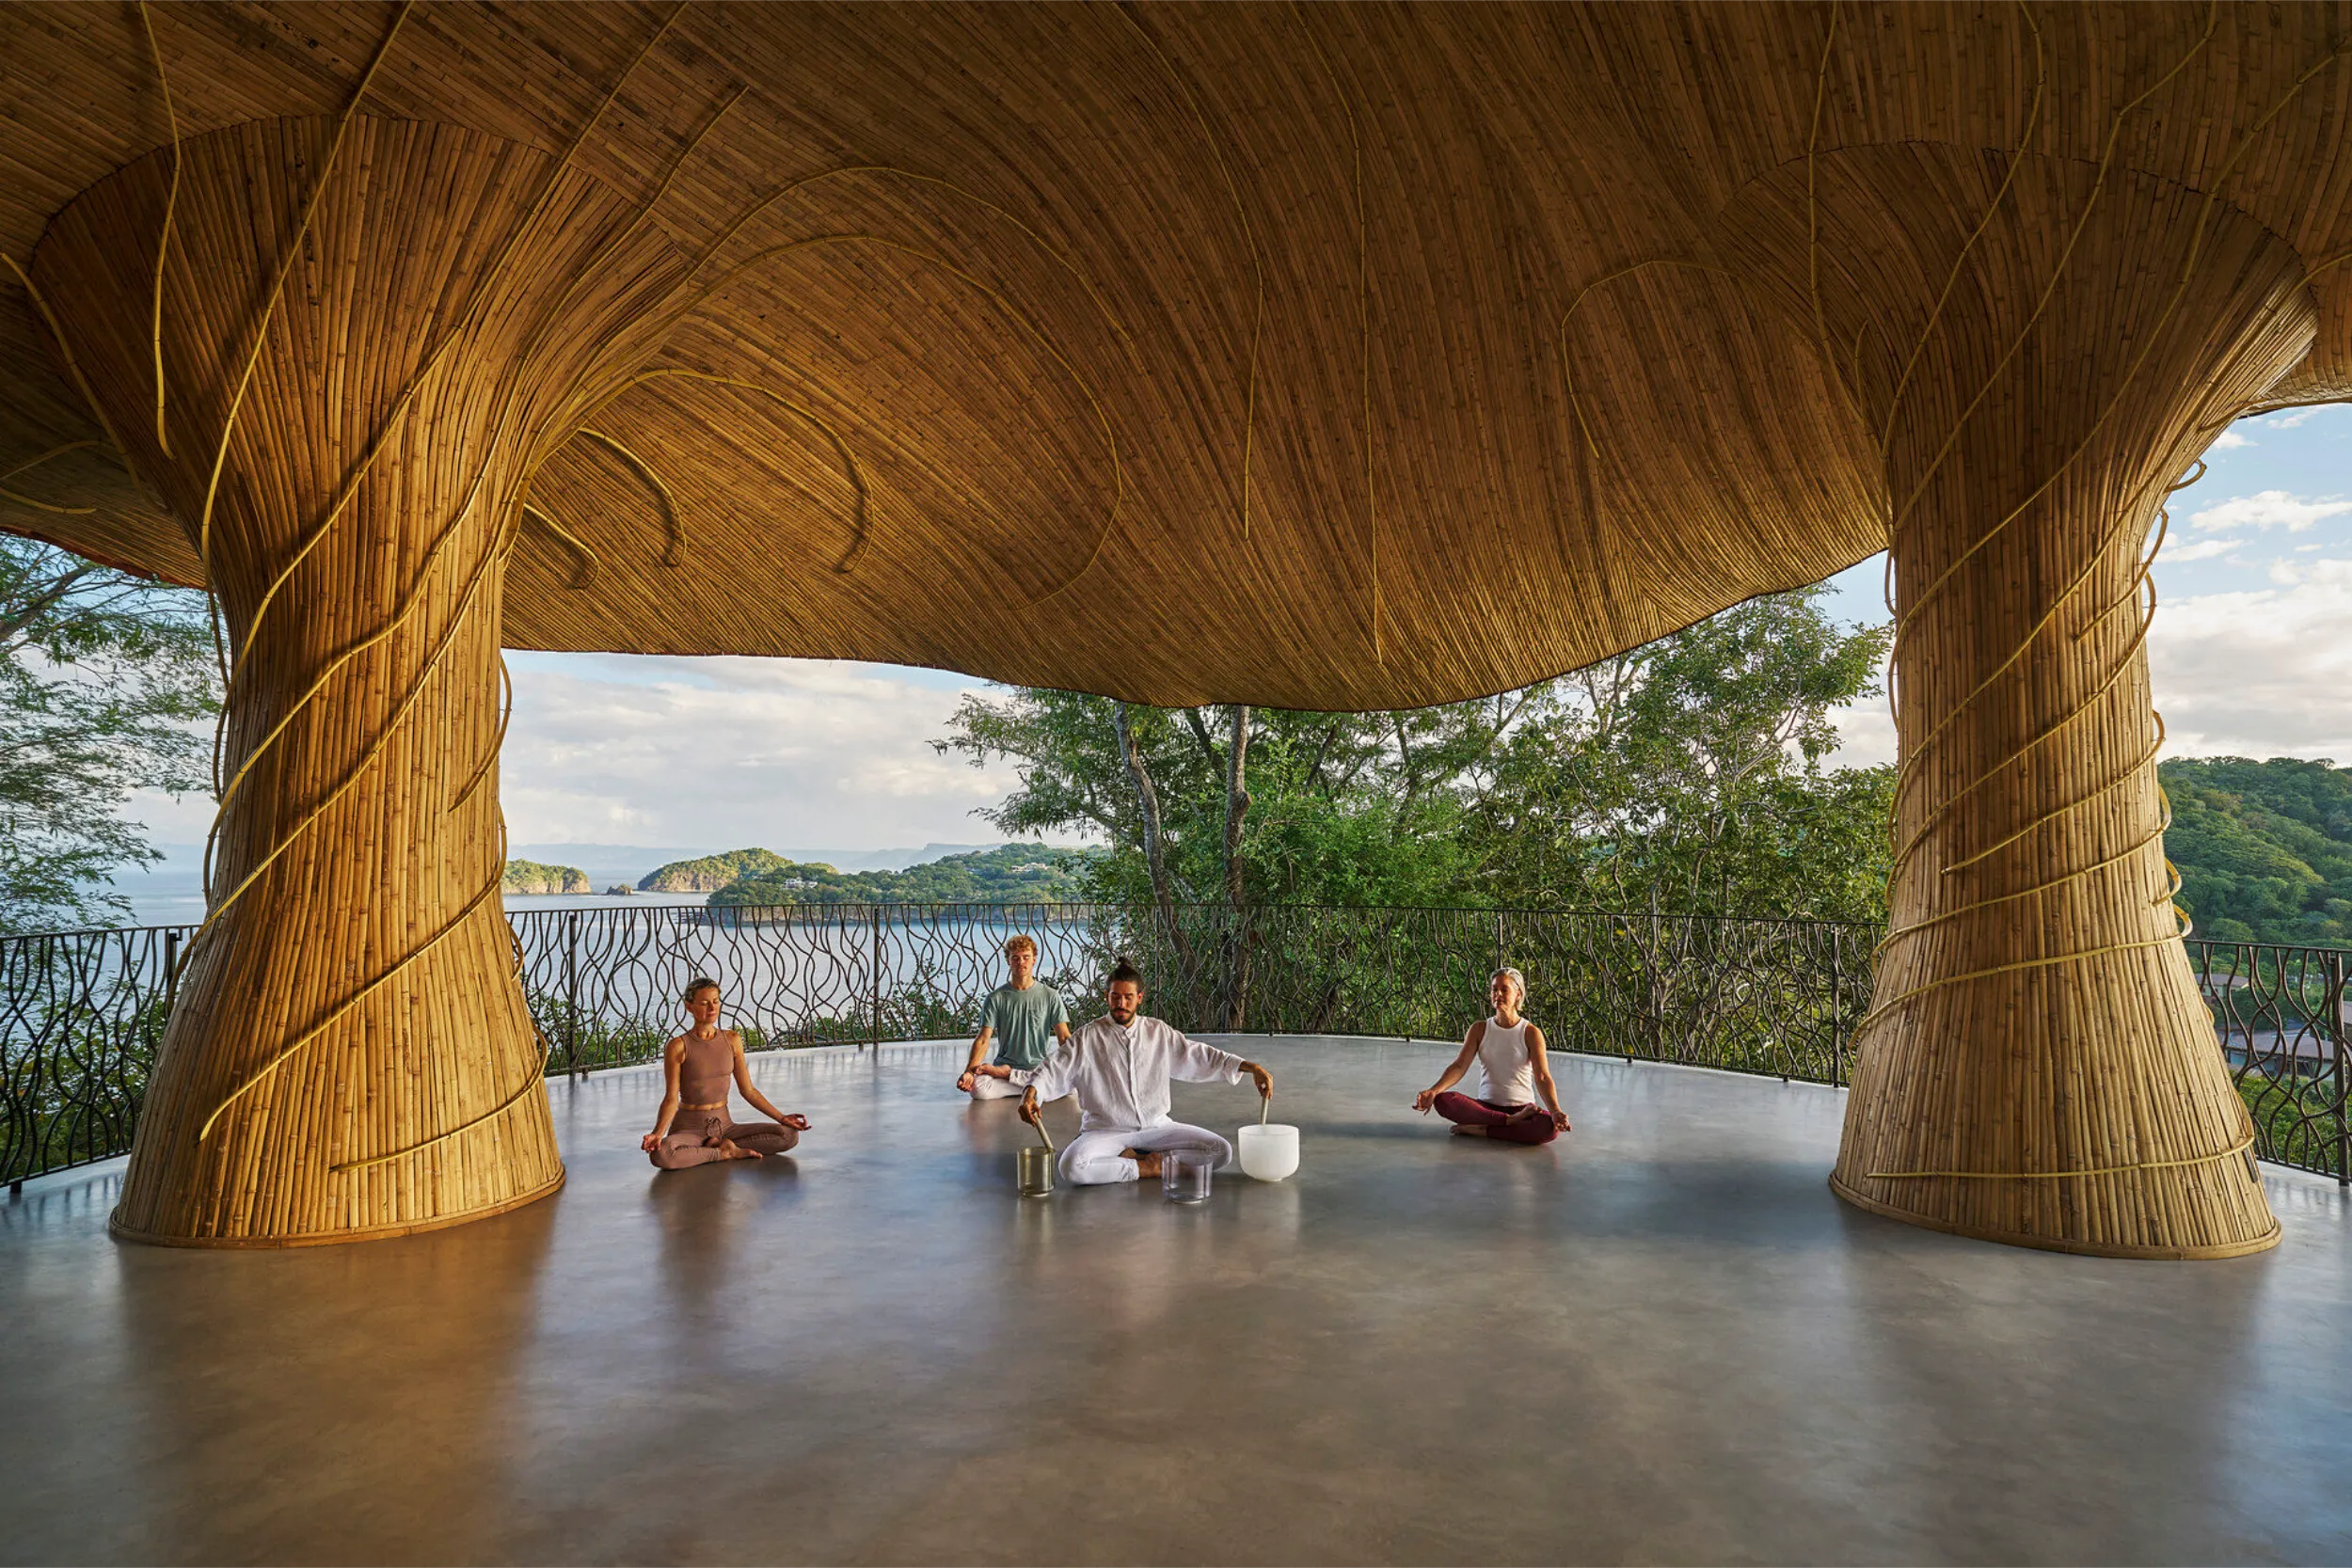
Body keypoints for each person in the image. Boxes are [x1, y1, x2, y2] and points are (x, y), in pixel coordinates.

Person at [1016, 958, 1272, 1184]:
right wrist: (1031, 1093)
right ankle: (1146, 1167)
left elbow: (1197, 1054)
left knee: (1220, 1151)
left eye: (1128, 997)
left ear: (1139, 998)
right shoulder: (1088, 1036)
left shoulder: (1157, 1032)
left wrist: (1250, 1067)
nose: (1121, 1003)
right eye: (1115, 997)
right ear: (1107, 996)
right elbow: (1054, 1066)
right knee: (1071, 1167)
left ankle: (1142, 1160)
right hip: (1106, 1131)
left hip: (1157, 1127)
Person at [641, 976, 812, 1167]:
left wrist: (782, 1118)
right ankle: (722, 1152)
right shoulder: (678, 1046)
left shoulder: (732, 1040)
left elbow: (748, 1091)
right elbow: (671, 1098)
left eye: (715, 1001)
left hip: (725, 1126)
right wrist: (657, 1134)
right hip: (689, 1128)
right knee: (662, 1155)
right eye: (704, 1003)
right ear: (689, 1007)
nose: (712, 1008)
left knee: (788, 1135)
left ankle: (717, 1148)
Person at [1411, 967, 1570, 1144]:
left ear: (1518, 994)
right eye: (1494, 989)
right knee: (1443, 1100)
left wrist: (1555, 1111)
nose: (1498, 994)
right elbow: (1459, 1066)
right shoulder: (1479, 1029)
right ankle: (1506, 1123)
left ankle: (1483, 1130)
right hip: (1485, 1109)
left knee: (1549, 1128)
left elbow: (1542, 1076)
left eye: (1504, 989)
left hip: (1523, 1109)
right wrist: (1433, 1091)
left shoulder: (1530, 1032)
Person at [956, 933, 1073, 1101]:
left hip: (1038, 1068)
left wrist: (1078, 1065)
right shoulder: (996, 998)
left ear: (1034, 959)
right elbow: (983, 1039)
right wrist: (969, 1071)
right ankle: (1032, 1088)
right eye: (1015, 958)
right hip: (1007, 1066)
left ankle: (1014, 1078)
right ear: (1008, 961)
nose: (1021, 963)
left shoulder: (1050, 996)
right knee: (978, 1088)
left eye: (1026, 957)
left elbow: (1064, 1036)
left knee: (1073, 1086)